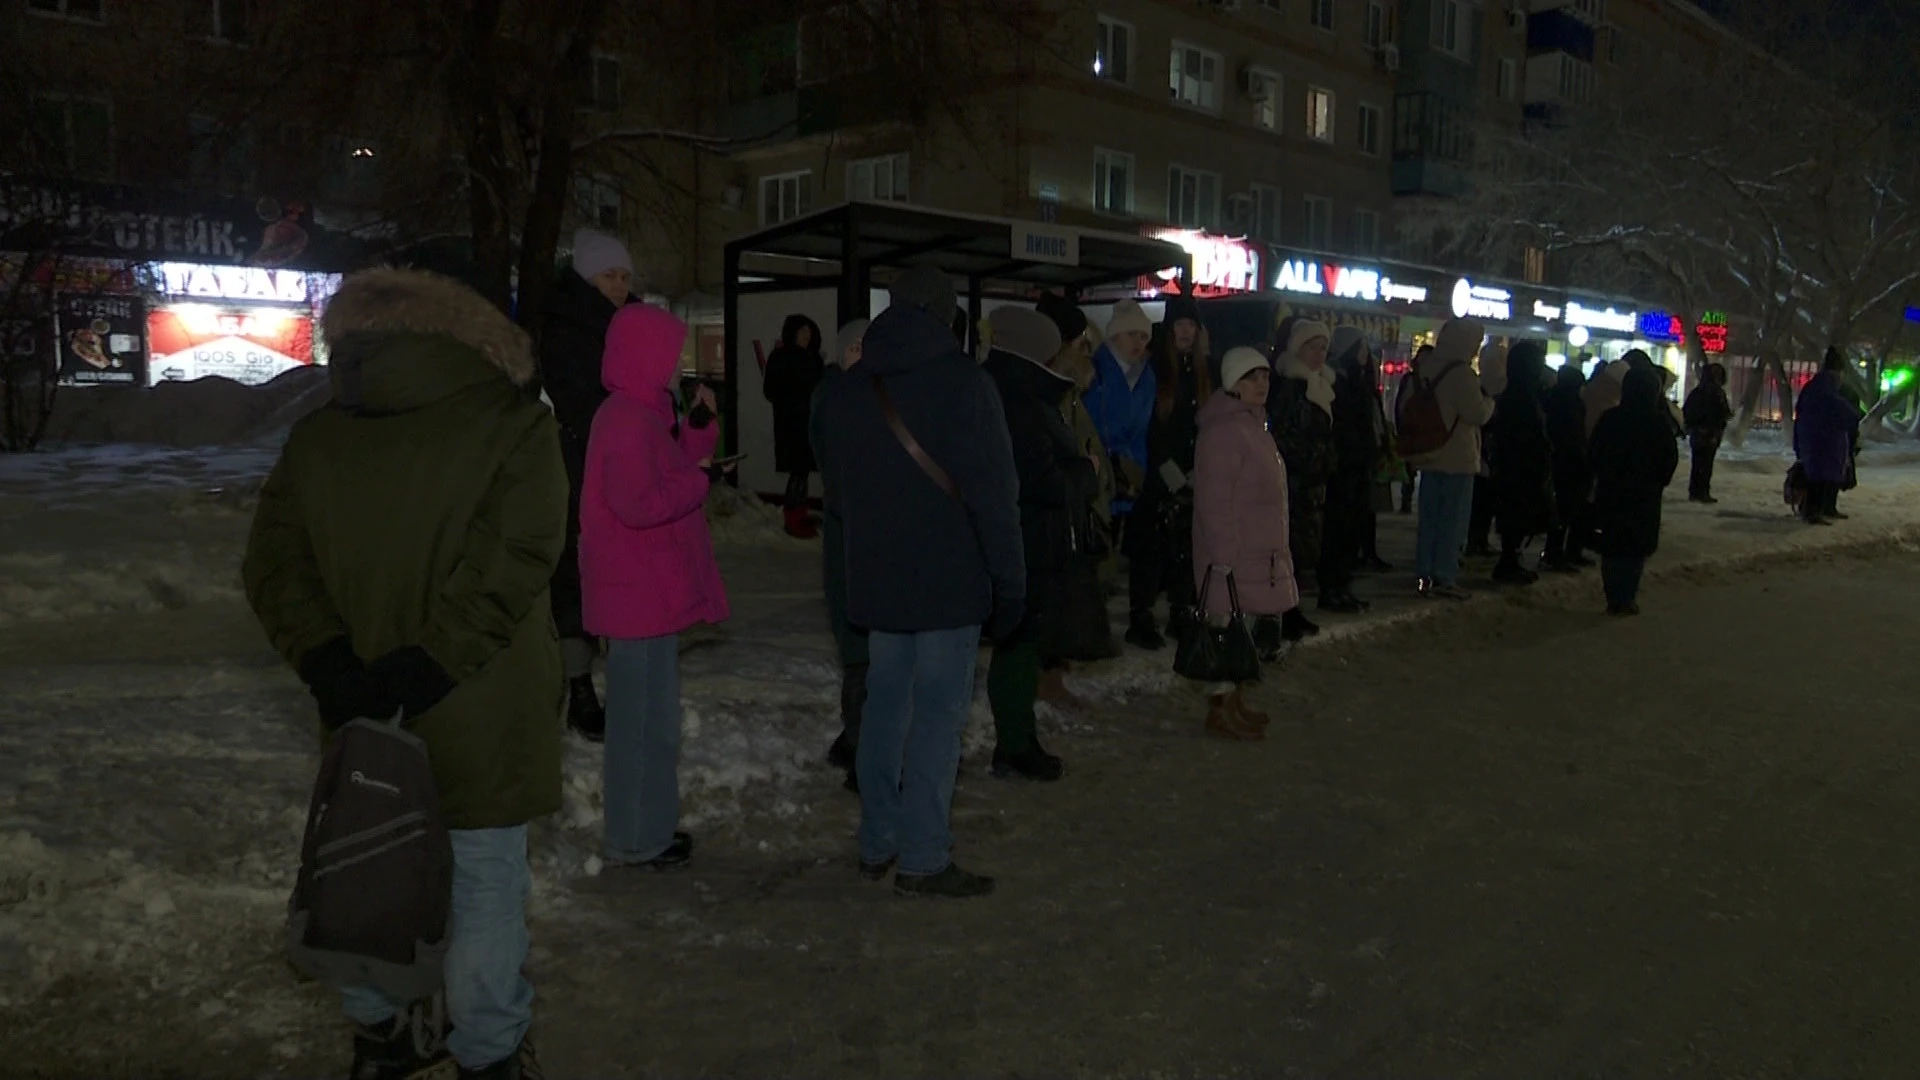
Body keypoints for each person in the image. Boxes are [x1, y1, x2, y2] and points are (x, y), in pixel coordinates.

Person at [242, 267, 567, 1079]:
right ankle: (489, 1054)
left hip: (358, 705)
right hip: (481, 699)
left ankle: (379, 1034)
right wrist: (432, 661)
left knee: (367, 865)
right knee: (485, 881)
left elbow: (274, 563)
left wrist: (326, 658)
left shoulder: (318, 436)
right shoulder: (513, 423)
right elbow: (518, 555)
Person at [815, 266, 1024, 899]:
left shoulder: (852, 388)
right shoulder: (966, 383)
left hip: (879, 579)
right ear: (947, 314)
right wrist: (1009, 583)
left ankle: (878, 840)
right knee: (937, 715)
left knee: (884, 707)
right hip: (948, 580)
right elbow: (995, 495)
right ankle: (924, 856)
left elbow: (839, 492)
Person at [581, 304, 732, 872]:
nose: (677, 365)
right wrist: (700, 481)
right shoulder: (624, 419)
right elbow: (640, 502)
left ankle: (648, 831)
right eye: (669, 354)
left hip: (647, 592)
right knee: (641, 727)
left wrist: (695, 434)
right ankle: (634, 840)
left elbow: (663, 473)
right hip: (635, 595)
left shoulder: (641, 412)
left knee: (653, 723)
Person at [981, 306, 1096, 782]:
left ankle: (1019, 739)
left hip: (1018, 536)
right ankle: (1015, 744)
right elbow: (1040, 481)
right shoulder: (1022, 402)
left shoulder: (1003, 391)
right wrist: (1085, 472)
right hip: (1027, 538)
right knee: (1019, 642)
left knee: (1020, 641)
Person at [537, 227, 632, 743]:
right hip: (576, 465)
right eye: (609, 275)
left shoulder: (629, 322)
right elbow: (579, 402)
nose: (618, 285)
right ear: (585, 277)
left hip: (617, 464)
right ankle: (579, 688)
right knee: (573, 572)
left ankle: (614, 675)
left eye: (624, 276)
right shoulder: (567, 328)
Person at [1192, 346, 1296, 741]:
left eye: (1265, 376)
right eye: (1251, 377)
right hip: (1232, 558)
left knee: (1241, 633)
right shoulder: (1224, 432)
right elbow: (1213, 501)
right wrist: (1223, 556)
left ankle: (1234, 703)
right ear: (1232, 383)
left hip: (1255, 554)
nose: (1261, 384)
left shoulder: (1253, 427)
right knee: (1224, 633)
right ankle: (1219, 709)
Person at [1035, 293, 1115, 711]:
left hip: (1071, 499)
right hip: (1054, 503)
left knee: (1064, 592)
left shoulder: (1069, 387)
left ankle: (1052, 672)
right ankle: (1044, 675)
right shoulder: (1050, 388)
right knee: (1051, 593)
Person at [1124, 296, 1211, 650]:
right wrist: (1170, 471)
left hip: (1193, 472)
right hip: (1157, 473)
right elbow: (1149, 425)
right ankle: (1140, 615)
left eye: (1191, 325)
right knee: (1151, 546)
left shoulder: (1205, 370)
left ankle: (1181, 610)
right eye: (1180, 325)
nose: (1186, 332)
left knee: (1184, 546)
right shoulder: (1156, 369)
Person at [1404, 318, 1495, 600]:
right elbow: (1476, 414)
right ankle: (1445, 575)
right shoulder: (1462, 374)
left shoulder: (1426, 366)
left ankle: (1425, 573)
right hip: (1456, 455)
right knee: (1452, 520)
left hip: (1429, 451)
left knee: (1429, 518)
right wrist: (1490, 401)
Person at [818, 320, 870, 790]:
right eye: (855, 347)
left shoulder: (868, 396)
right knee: (860, 649)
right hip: (850, 540)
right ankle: (859, 747)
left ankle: (854, 741)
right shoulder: (836, 397)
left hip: (864, 539)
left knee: (868, 650)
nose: (862, 355)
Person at [1270, 320, 1346, 622]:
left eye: (1323, 347)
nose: (1318, 353)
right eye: (1312, 347)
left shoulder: (1321, 385)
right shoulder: (1292, 386)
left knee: (1304, 546)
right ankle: (1284, 611)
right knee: (1289, 545)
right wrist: (1312, 457)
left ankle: (1293, 607)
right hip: (1295, 479)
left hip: (1313, 481)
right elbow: (1286, 435)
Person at [1590, 367, 1680, 615]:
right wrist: (1659, 481)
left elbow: (1595, 451)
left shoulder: (1611, 418)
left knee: (1613, 545)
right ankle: (1627, 596)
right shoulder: (1657, 422)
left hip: (1612, 491)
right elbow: (1668, 458)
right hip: (1644, 495)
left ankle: (1613, 596)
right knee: (1635, 549)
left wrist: (1601, 477)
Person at [1082, 300, 1156, 560]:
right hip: (1105, 468)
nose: (1138, 342)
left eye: (1143, 336)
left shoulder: (1146, 377)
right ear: (1115, 335)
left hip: (1130, 474)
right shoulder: (1094, 371)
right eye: (1131, 334)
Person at [1485, 341, 1556, 586]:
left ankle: (1511, 559)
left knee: (1516, 515)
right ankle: (1509, 561)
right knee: (1517, 514)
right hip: (1520, 466)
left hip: (1513, 465)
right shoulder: (1522, 396)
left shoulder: (1517, 392)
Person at [1323, 326, 1381, 606]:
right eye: (1360, 348)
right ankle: (1333, 587)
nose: (1365, 355)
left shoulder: (1358, 379)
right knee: (1339, 528)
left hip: (1357, 465)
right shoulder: (1339, 381)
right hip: (1343, 467)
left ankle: (1342, 584)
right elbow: (1345, 425)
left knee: (1351, 528)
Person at [763, 314, 826, 539]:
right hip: (791, 423)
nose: (806, 337)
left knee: (803, 471)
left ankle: (800, 513)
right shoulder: (781, 357)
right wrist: (795, 401)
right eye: (802, 332)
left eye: (809, 332)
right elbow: (770, 390)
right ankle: (793, 518)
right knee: (798, 471)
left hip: (809, 422)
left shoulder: (813, 358)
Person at [1793, 347, 1863, 525]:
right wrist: (1853, 416)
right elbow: (1842, 410)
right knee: (1821, 476)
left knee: (1825, 475)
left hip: (1816, 438)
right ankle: (1814, 510)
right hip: (1824, 439)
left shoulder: (1815, 387)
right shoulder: (1828, 388)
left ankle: (1822, 508)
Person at [1542, 364, 1595, 571]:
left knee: (1567, 510)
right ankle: (1559, 552)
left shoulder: (1554, 399)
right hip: (1569, 462)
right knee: (1568, 509)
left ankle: (1562, 551)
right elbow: (1573, 435)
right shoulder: (1569, 402)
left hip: (1562, 461)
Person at [1465, 341, 1508, 559]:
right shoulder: (1482, 387)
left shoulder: (1501, 387)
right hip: (1481, 450)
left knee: (1486, 500)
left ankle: (1479, 539)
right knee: (1479, 500)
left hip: (1490, 452)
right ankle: (1474, 539)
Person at [1682, 362, 1734, 504]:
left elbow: (1723, 413)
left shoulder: (1708, 393)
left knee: (1703, 463)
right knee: (1702, 463)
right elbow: (1690, 412)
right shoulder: (1705, 393)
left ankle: (1699, 491)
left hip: (1709, 433)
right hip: (1703, 433)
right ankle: (1699, 492)